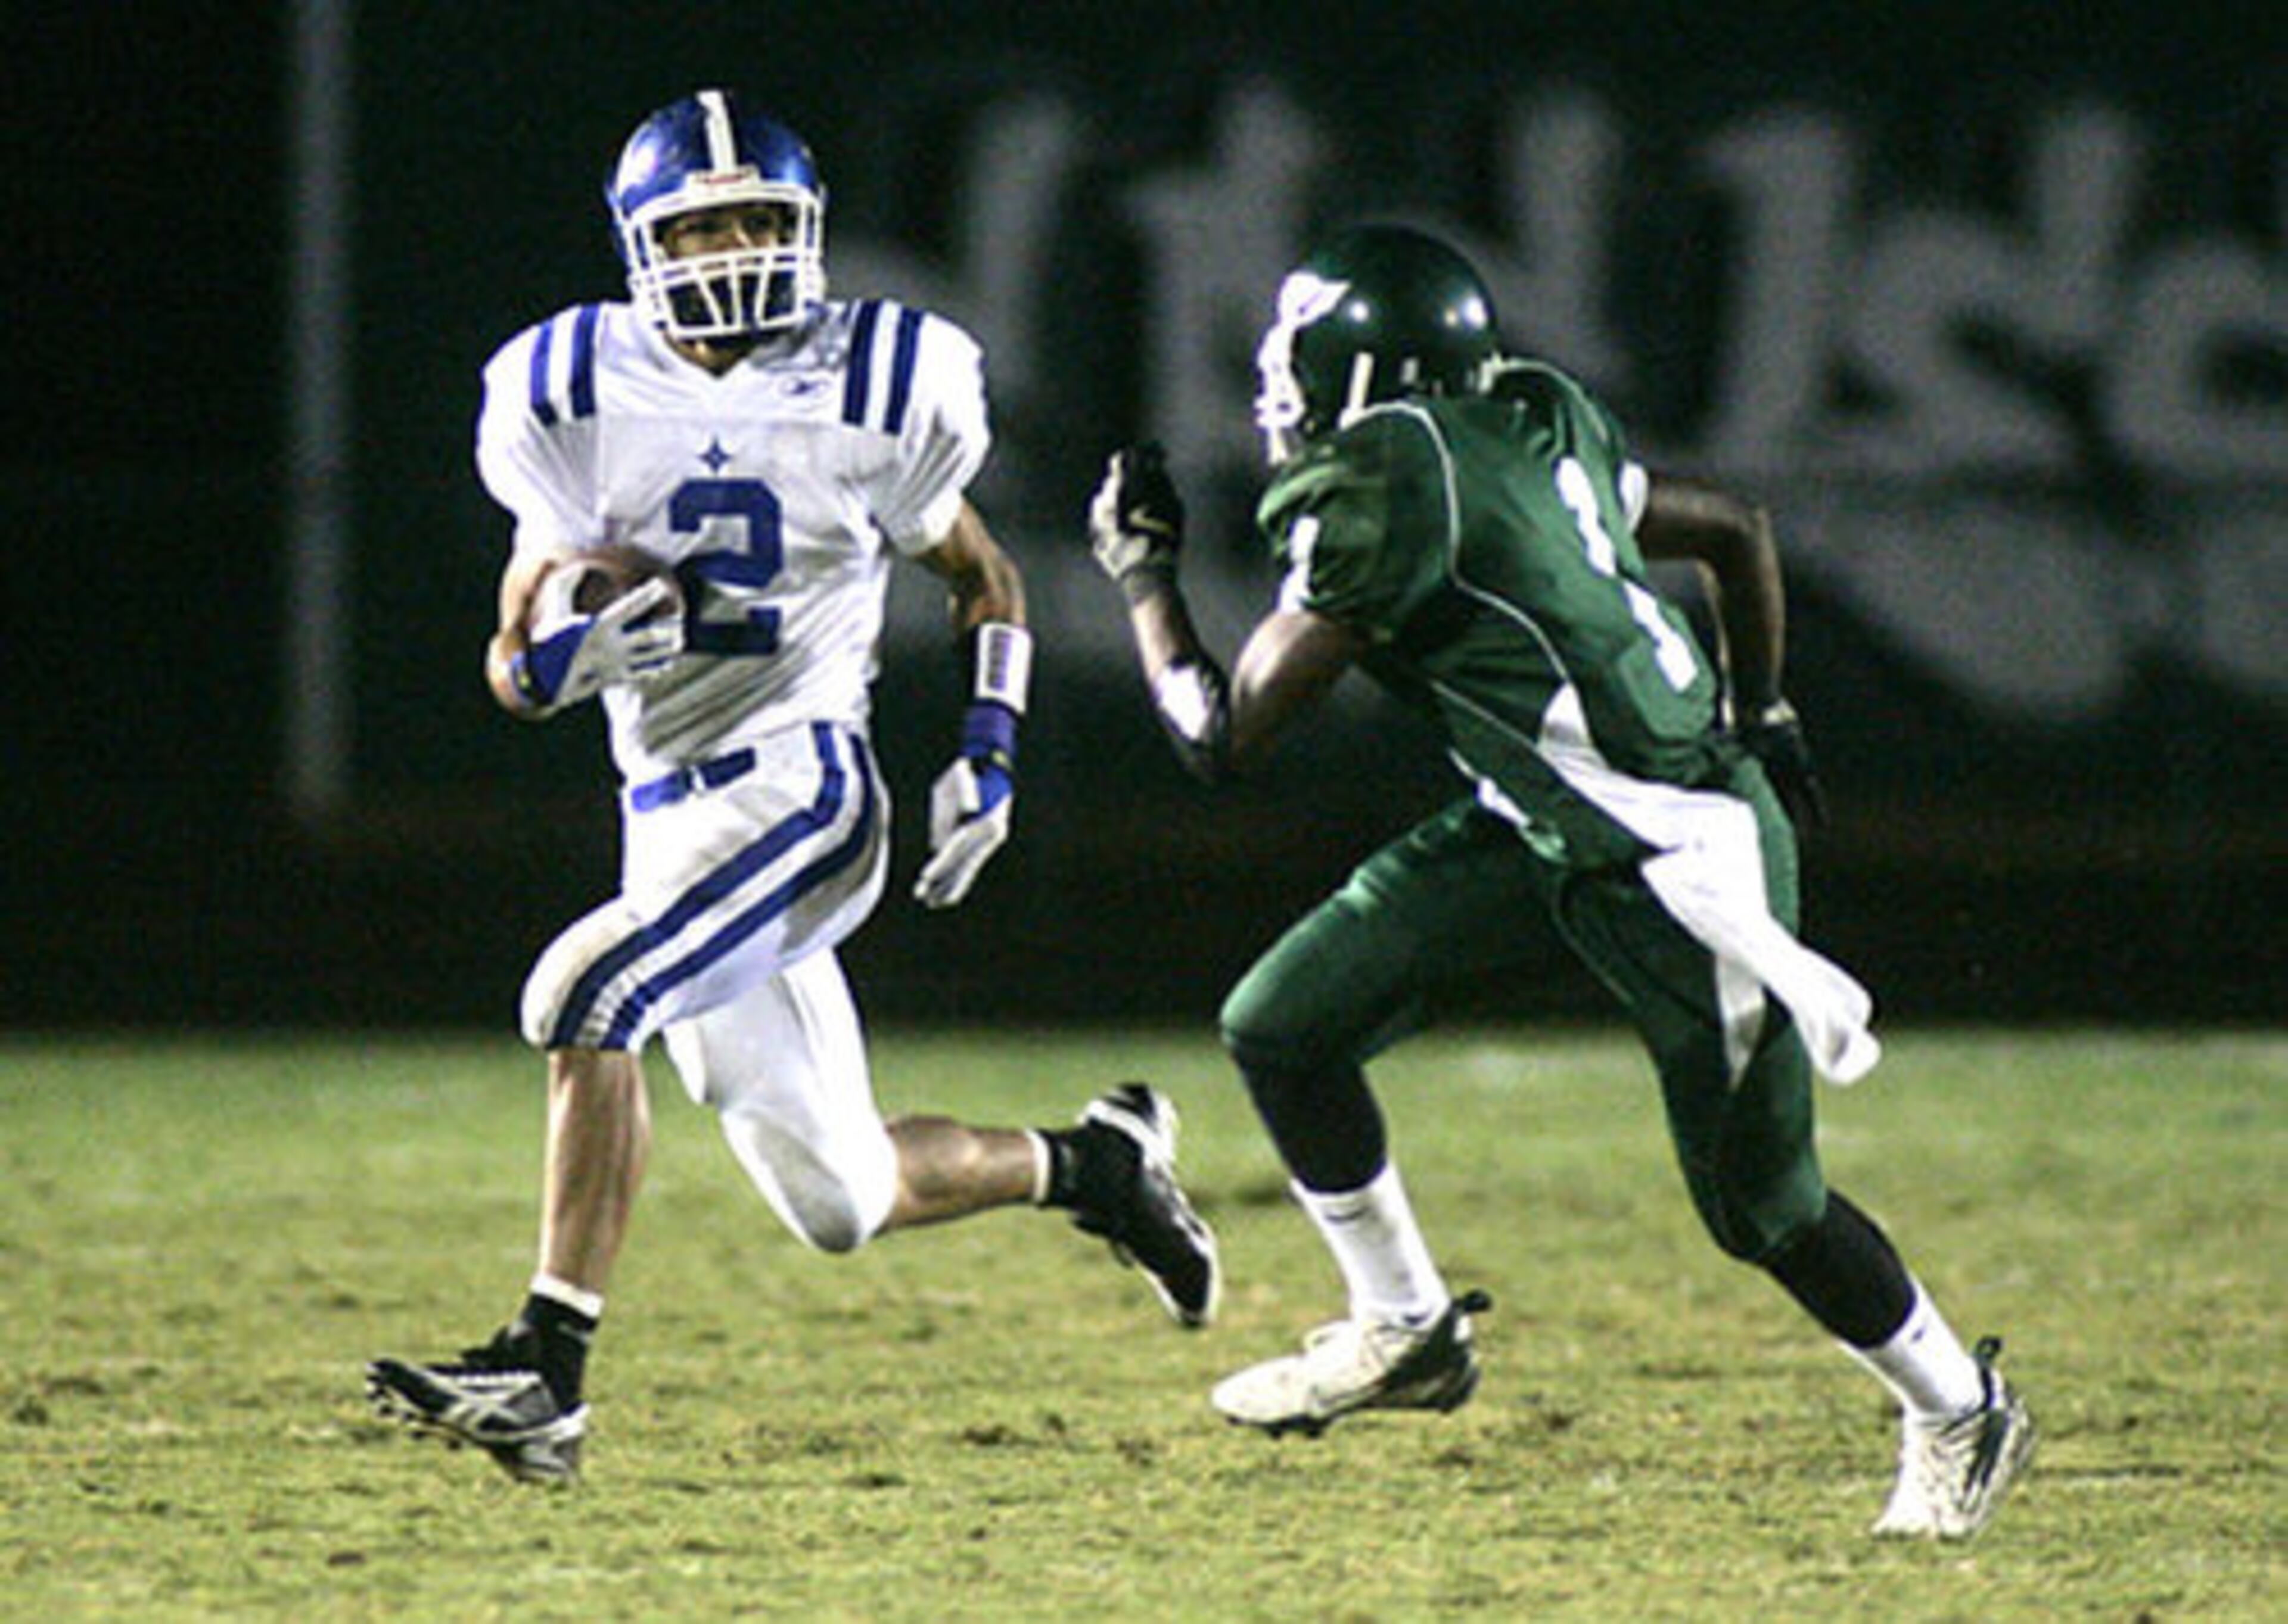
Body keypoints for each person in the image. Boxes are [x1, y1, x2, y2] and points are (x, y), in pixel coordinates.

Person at [1083, 222, 2032, 1539]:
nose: (1280, 401)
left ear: (1373, 380)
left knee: (1766, 1211)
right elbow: (1733, 530)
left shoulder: (1388, 482)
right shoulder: (1532, 415)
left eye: (1302, 370)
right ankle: (1404, 1327)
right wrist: (1766, 710)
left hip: (1674, 856)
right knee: (1283, 1023)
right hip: (1542, 823)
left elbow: (1217, 734)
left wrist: (1142, 581)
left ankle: (1959, 1402)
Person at [365, 89, 1218, 1485]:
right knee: (843, 1196)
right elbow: (511, 662)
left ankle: (545, 1372)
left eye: (763, 219)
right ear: (644, 244)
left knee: (582, 996)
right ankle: (1099, 1166)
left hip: (807, 794)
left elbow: (983, 578)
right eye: (705, 228)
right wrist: (569, 658)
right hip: (669, 820)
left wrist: (989, 756)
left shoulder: (876, 382)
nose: (736, 249)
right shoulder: (567, 387)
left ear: (809, 231)